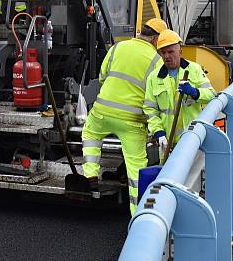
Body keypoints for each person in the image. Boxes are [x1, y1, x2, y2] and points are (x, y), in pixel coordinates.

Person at [81, 22, 164, 216]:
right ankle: (138, 214)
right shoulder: (156, 60)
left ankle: (91, 173)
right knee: (136, 169)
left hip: (103, 111)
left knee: (90, 133)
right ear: (156, 39)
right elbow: (156, 94)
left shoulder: (118, 47)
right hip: (132, 120)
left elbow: (102, 77)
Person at [144, 30, 216, 160]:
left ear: (180, 52)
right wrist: (158, 133)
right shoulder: (154, 78)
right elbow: (150, 110)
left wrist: (195, 92)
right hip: (167, 143)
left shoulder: (194, 69)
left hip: (192, 138)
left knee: (192, 177)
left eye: (170, 52)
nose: (166, 56)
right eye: (163, 52)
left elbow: (211, 95)